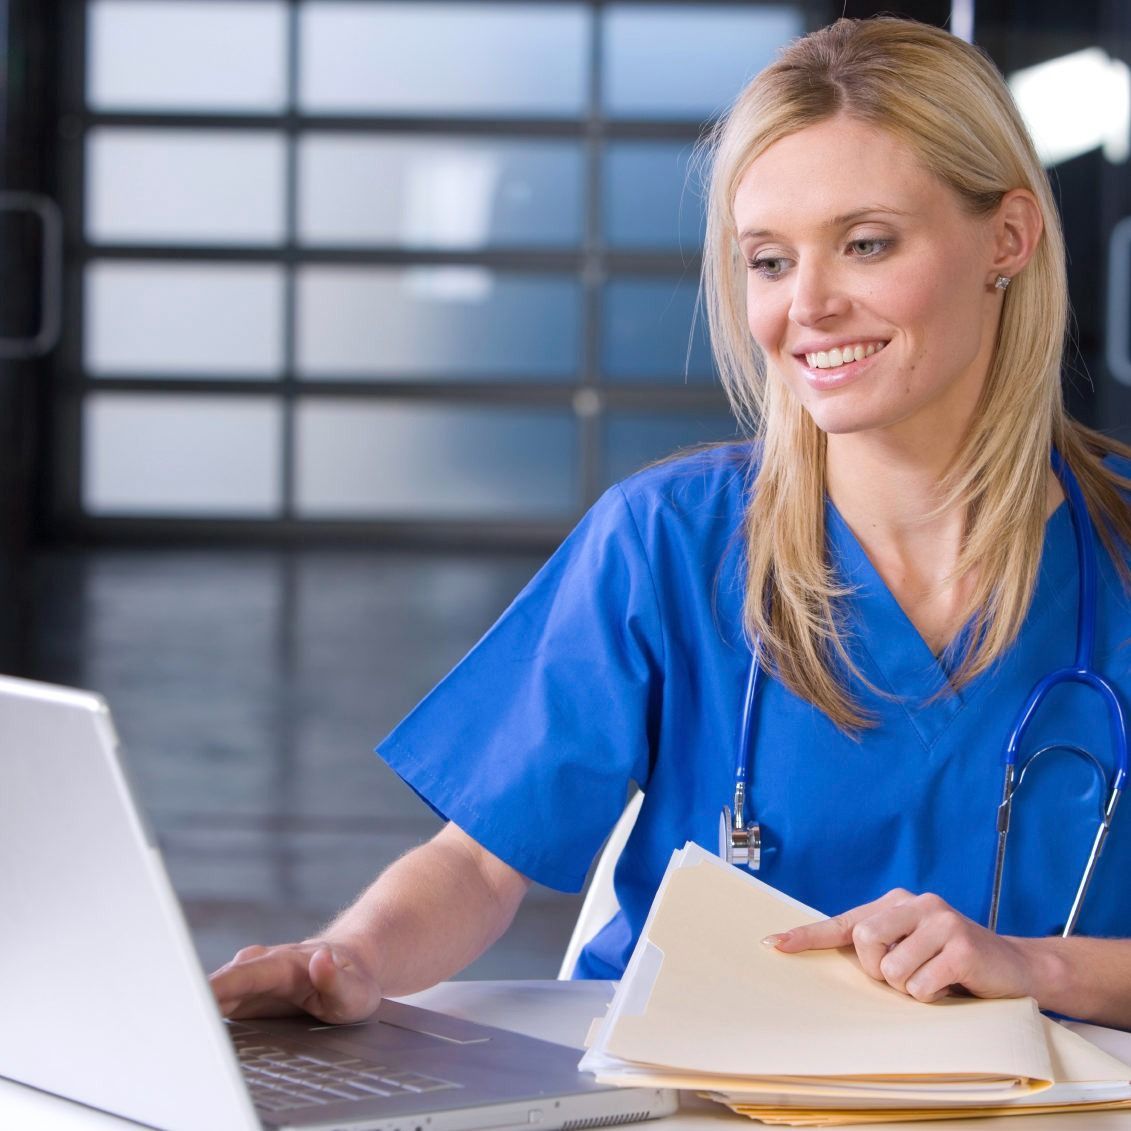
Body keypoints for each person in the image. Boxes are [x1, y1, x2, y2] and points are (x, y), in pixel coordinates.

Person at [210, 17, 1131, 1030]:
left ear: (1007, 237)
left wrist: (1036, 969)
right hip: (690, 1093)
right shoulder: (667, 541)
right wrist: (350, 957)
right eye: (769, 262)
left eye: (866, 244)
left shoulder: (1115, 556)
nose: (808, 305)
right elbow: (479, 863)